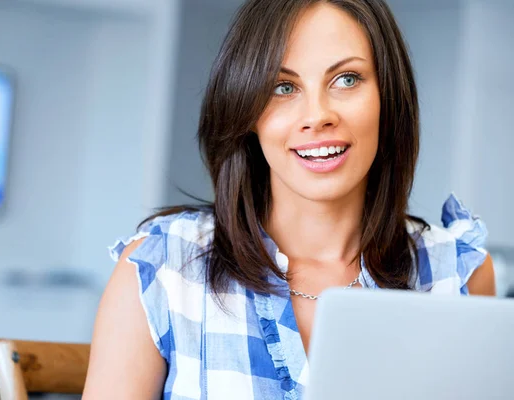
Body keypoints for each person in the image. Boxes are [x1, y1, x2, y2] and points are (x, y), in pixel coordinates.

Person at [82, 0, 496, 398]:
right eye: (283, 87)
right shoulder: (163, 266)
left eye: (346, 79)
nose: (317, 115)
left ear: (388, 98)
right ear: (246, 111)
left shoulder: (456, 274)